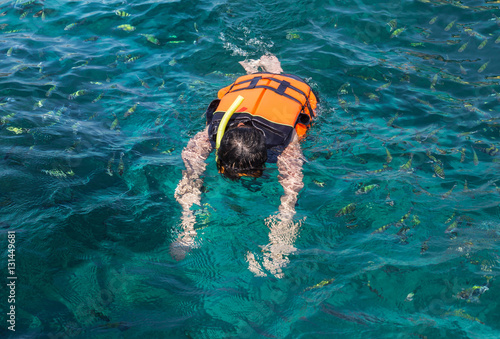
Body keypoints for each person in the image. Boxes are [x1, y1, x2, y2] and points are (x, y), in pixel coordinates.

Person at [172, 54, 318, 278]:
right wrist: (187, 227)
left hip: (292, 85)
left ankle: (268, 71)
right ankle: (266, 71)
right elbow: (189, 176)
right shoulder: (208, 136)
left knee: (273, 81)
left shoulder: (286, 144)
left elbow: (291, 193)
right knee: (192, 171)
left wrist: (280, 243)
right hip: (271, 92)